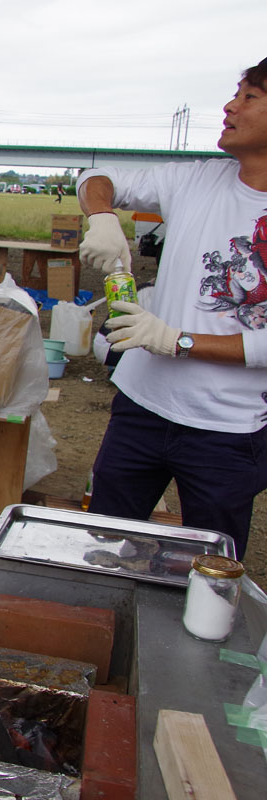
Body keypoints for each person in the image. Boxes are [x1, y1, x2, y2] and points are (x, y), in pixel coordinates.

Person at [76, 56, 267, 559]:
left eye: (250, 96)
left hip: (227, 430)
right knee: (104, 545)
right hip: (141, 407)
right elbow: (98, 175)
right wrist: (101, 216)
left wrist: (175, 341)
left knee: (207, 567)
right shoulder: (198, 181)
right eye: (236, 92)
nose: (230, 105)